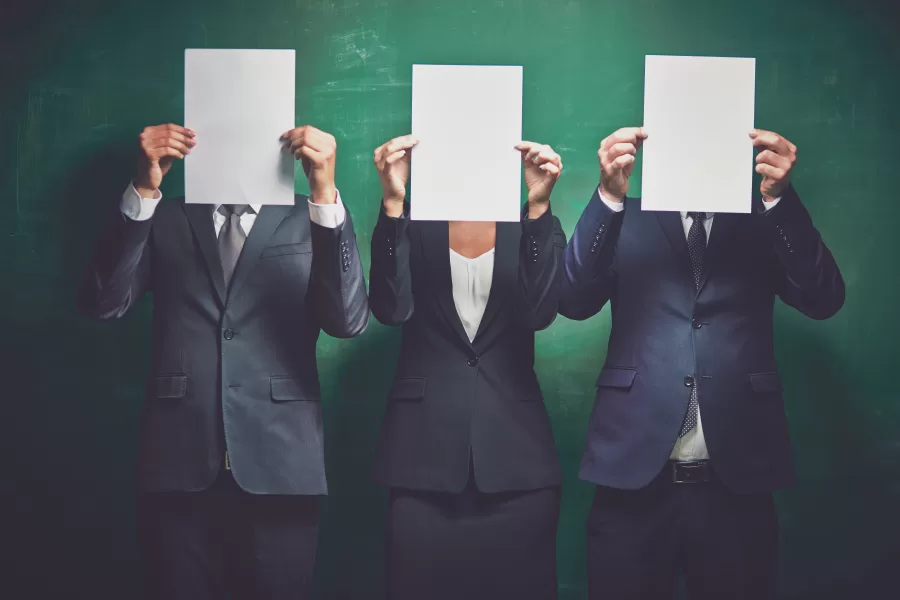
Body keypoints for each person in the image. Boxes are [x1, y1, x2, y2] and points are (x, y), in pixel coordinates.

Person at [78, 123, 368, 600]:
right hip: (178, 465)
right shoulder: (165, 216)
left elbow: (348, 321)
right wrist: (144, 190)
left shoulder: (312, 217)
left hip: (282, 467)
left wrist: (323, 193)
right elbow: (102, 304)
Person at [560, 127, 844, 600]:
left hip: (739, 483)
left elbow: (824, 299)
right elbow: (571, 300)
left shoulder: (765, 219)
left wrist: (780, 201)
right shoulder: (623, 216)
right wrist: (609, 195)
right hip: (631, 480)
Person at [368, 135, 567, 600]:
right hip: (421, 464)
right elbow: (390, 310)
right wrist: (394, 204)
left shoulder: (534, 228)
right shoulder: (411, 226)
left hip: (518, 467)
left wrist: (537, 207)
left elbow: (540, 313)